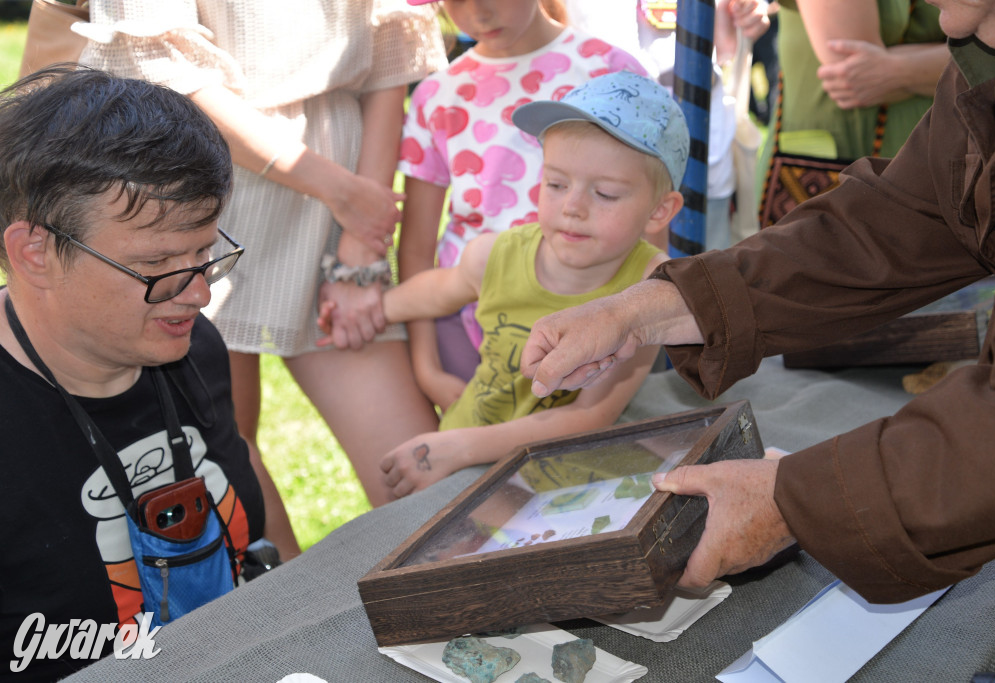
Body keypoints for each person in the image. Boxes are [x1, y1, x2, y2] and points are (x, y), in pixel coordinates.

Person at [520, 0, 995, 605]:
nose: (944, 22)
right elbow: (901, 219)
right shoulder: (993, 50)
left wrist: (795, 501)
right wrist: (655, 306)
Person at [78, 1, 448, 517]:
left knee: (423, 483)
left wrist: (359, 245)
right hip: (189, 200)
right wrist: (341, 191)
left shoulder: (349, 211)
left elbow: (391, 52)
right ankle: (285, 595)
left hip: (339, 207)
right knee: (221, 454)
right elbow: (158, 61)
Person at [0, 67, 267, 680]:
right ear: (33, 252)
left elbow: (246, 508)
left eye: (205, 254)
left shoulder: (191, 345)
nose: (198, 294)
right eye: (158, 265)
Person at [321, 70, 687, 499]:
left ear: (660, 210)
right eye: (555, 183)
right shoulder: (495, 254)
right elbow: (438, 290)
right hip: (459, 468)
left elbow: (590, 416)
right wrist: (371, 309)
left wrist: (457, 447)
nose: (572, 207)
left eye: (604, 193)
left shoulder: (648, 291)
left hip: (550, 482)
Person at [394, 0, 648, 414]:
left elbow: (647, 215)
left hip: (586, 324)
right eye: (454, 0)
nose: (479, 13)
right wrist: (426, 366)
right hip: (464, 325)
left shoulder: (609, 71)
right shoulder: (435, 94)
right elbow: (417, 247)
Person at [564, 0, 770, 251]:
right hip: (599, 160)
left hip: (701, 160)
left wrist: (739, 19)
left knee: (702, 276)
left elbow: (724, 48)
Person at [761, 0, 948, 173]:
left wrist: (895, 70)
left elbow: (978, 55)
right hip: (832, 163)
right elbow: (853, 72)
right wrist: (958, 62)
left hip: (935, 155)